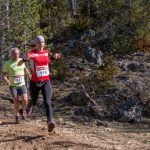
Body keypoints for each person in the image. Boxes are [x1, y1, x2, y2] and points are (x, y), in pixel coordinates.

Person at [18, 35, 61, 132]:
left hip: (46, 81)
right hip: (34, 83)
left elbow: (47, 61)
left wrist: (54, 57)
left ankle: (50, 122)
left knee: (47, 102)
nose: (41, 44)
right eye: (39, 42)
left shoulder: (46, 52)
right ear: (35, 44)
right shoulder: (31, 53)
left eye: (42, 42)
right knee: (34, 101)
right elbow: (19, 64)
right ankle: (30, 104)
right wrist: (25, 59)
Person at [2, 48, 31, 124]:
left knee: (25, 100)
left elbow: (25, 69)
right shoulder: (7, 63)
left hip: (22, 84)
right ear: (11, 54)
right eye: (14, 53)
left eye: (17, 53)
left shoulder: (21, 61)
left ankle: (22, 111)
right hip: (13, 86)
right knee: (16, 101)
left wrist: (28, 74)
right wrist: (6, 80)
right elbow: (4, 74)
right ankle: (17, 116)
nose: (16, 55)